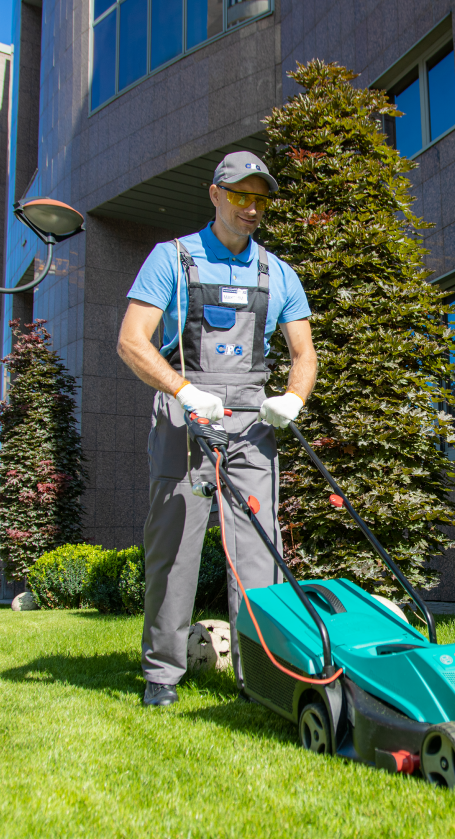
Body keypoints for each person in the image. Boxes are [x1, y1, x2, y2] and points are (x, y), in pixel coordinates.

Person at [118, 152, 317, 707]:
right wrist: (183, 390)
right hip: (186, 412)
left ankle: (258, 673)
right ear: (214, 194)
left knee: (258, 545)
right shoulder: (170, 259)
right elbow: (132, 341)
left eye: (260, 199)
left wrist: (292, 399)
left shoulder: (278, 274)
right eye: (239, 195)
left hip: (253, 421)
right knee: (174, 545)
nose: (251, 208)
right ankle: (162, 674)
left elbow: (304, 353)